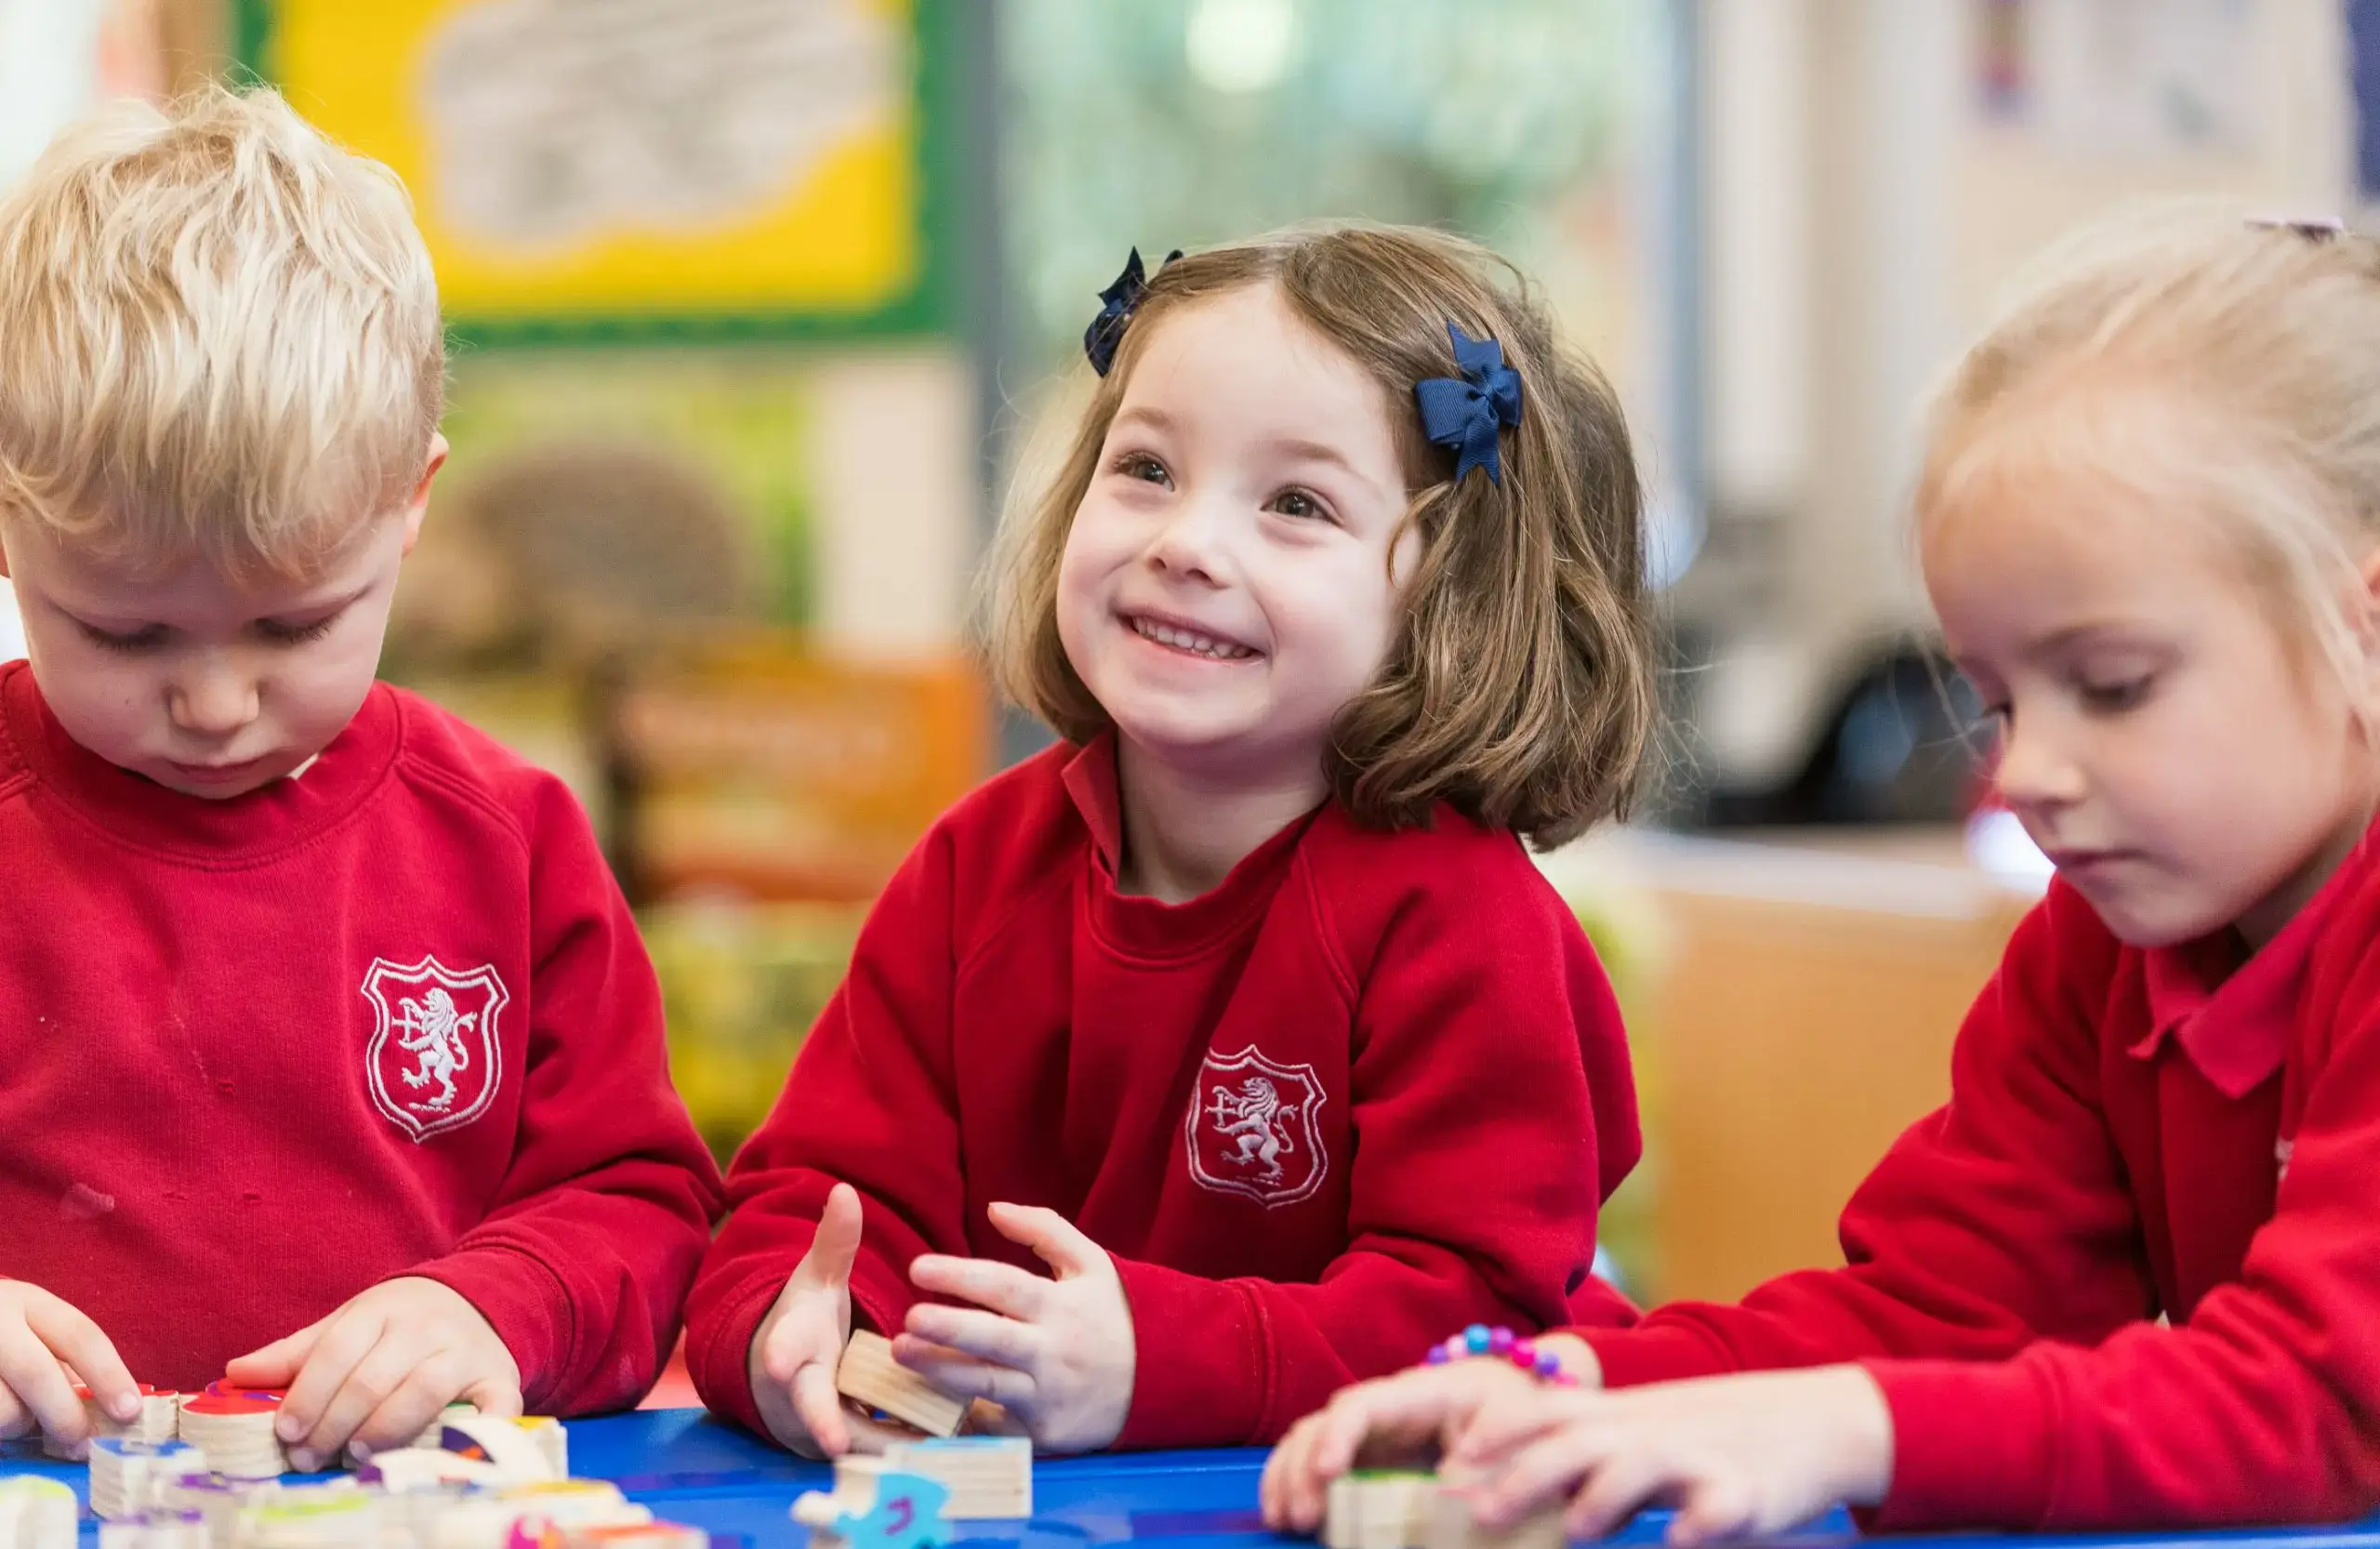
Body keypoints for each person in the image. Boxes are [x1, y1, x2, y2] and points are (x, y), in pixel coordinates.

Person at [1264, 205, 2380, 1539]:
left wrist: (1848, 1427)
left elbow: (2330, 1401)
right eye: (2000, 701)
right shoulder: (2105, 940)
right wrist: (1579, 1385)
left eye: (2115, 685)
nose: (2023, 775)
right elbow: (1939, 1311)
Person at [684, 223, 1655, 1454]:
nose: (1185, 543)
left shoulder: (1462, 920)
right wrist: (788, 1330)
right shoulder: (976, 866)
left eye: (1296, 502)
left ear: (1450, 597)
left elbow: (1474, 1316)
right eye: (1145, 468)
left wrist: (1155, 1363)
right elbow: (812, 1201)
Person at [0, 85, 722, 1467]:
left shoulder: (506, 841)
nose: (214, 703)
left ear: (412, 503)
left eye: (291, 624)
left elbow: (637, 1200)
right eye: (125, 631)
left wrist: (491, 1308)